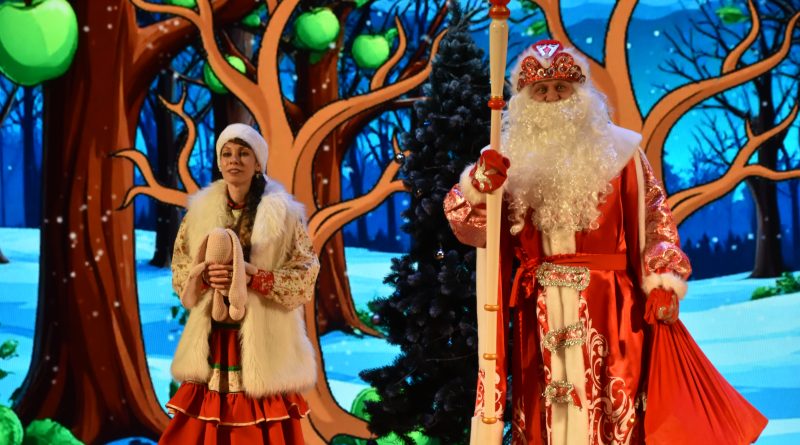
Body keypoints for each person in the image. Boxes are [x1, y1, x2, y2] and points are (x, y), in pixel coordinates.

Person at [444, 40, 766, 445]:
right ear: (524, 100)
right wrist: (478, 186)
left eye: (561, 87)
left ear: (580, 92)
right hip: (537, 309)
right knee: (545, 412)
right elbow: (469, 228)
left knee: (614, 410)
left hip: (611, 308)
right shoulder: (505, 160)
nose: (551, 97)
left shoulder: (622, 151)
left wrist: (663, 277)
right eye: (541, 90)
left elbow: (655, 218)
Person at [159, 123, 320, 444]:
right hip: (214, 339)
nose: (234, 160)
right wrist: (203, 276)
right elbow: (181, 266)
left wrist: (256, 278)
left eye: (244, 153)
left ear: (258, 163)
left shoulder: (284, 216)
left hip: (265, 339)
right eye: (227, 154)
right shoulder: (198, 214)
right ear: (219, 162)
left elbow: (305, 275)